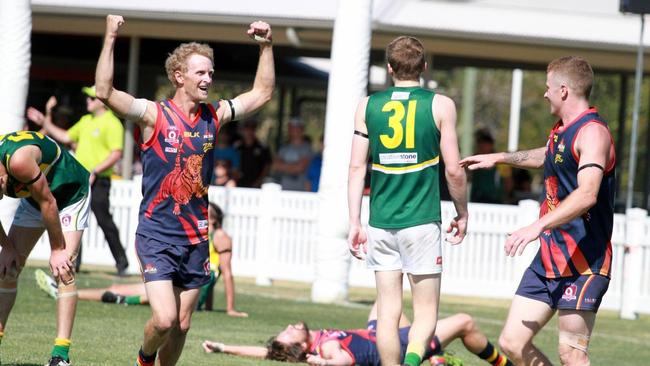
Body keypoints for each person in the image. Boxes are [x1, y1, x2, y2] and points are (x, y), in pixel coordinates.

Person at [94, 14, 274, 366]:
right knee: (164, 319)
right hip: (157, 233)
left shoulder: (214, 115)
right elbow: (104, 91)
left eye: (210, 73)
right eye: (200, 73)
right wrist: (111, 37)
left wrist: (266, 45)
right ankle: (144, 360)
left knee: (182, 324)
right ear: (179, 77)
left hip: (195, 237)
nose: (209, 79)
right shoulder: (153, 115)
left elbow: (263, 93)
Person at [460, 56, 615, 366]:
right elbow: (547, 156)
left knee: (572, 355)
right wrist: (500, 157)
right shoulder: (561, 130)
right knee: (512, 343)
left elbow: (587, 194)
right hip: (549, 258)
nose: (544, 94)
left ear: (564, 91)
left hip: (584, 261)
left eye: (547, 88)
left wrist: (536, 227)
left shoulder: (593, 133)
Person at [347, 36, 468, 366]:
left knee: (387, 311)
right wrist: (463, 213)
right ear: (424, 68)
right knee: (426, 312)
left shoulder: (367, 105)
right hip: (421, 221)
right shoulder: (440, 105)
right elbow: (454, 171)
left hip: (381, 222)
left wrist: (355, 222)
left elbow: (357, 167)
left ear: (389, 69)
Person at [0, 130, 90, 366]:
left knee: (64, 270)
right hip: (35, 198)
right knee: (7, 268)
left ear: (1, 179)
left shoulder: (18, 163)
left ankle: (60, 356)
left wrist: (58, 249)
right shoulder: (3, 173)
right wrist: (7, 248)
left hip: (69, 193)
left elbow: (48, 202)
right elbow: (40, 199)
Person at [201, 301, 512, 366]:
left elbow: (268, 353)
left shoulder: (312, 342)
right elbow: (343, 362)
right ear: (298, 349)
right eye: (288, 332)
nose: (290, 326)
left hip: (378, 331)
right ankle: (503, 364)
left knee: (384, 301)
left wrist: (224, 347)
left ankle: (436, 355)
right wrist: (324, 364)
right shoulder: (325, 350)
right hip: (398, 347)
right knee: (465, 322)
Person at [27, 86, 130, 276]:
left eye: (91, 98)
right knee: (73, 219)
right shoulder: (85, 121)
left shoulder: (112, 122)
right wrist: (45, 119)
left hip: (99, 180)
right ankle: (74, 262)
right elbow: (65, 136)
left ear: (101, 101)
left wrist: (95, 171)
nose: (88, 101)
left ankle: (122, 263)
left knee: (103, 220)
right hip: (79, 179)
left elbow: (117, 153)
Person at [197, 203, 247, 317]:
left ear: (213, 219)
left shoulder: (219, 236)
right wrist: (208, 307)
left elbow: (225, 273)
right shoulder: (198, 234)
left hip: (193, 288)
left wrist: (230, 309)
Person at [469, 129, 512, 204]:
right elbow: (468, 177)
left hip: (495, 200)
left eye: (484, 144)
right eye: (479, 143)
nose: (481, 147)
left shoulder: (500, 162)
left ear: (491, 145)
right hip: (476, 199)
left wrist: (506, 197)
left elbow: (508, 182)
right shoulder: (473, 160)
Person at [272, 117, 313, 191]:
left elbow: (300, 168)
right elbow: (275, 165)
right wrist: (294, 166)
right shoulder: (283, 148)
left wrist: (283, 165)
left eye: (297, 127)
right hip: (282, 189)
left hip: (300, 191)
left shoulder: (307, 149)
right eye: (292, 127)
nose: (294, 130)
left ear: (302, 129)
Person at [234, 118, 272, 188]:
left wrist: (258, 182)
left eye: (252, 128)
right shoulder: (237, 146)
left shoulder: (263, 147)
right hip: (239, 184)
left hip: (257, 186)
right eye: (246, 128)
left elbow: (267, 166)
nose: (249, 131)